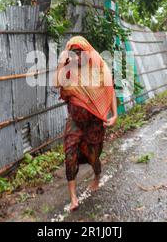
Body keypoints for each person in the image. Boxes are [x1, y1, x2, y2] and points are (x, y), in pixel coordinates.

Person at [55, 36, 118, 211]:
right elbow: (57, 84)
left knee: (93, 156)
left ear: (87, 52)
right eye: (73, 53)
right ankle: (73, 197)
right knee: (69, 154)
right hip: (75, 121)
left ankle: (97, 176)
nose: (77, 57)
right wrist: (61, 64)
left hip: (94, 122)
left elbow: (109, 90)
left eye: (80, 53)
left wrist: (115, 114)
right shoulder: (68, 69)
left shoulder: (98, 67)